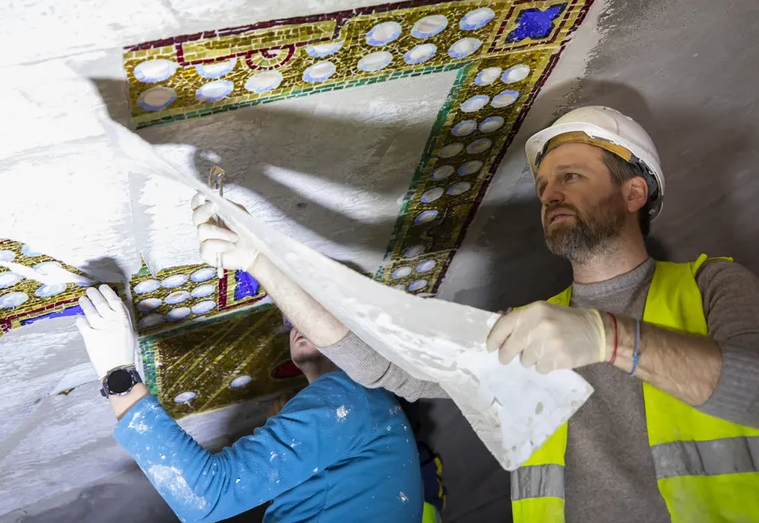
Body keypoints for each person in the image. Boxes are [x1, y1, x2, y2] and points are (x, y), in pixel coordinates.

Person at [194, 106, 759, 523]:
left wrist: (607, 338)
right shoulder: (527, 327)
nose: (550, 195)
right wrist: (263, 264)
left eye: (571, 176)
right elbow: (389, 367)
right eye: (543, 186)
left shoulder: (711, 286)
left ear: (634, 192)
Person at [75, 285, 423, 523]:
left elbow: (209, 497)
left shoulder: (354, 400)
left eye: (320, 316)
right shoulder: (363, 406)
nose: (300, 324)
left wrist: (119, 376)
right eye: (294, 319)